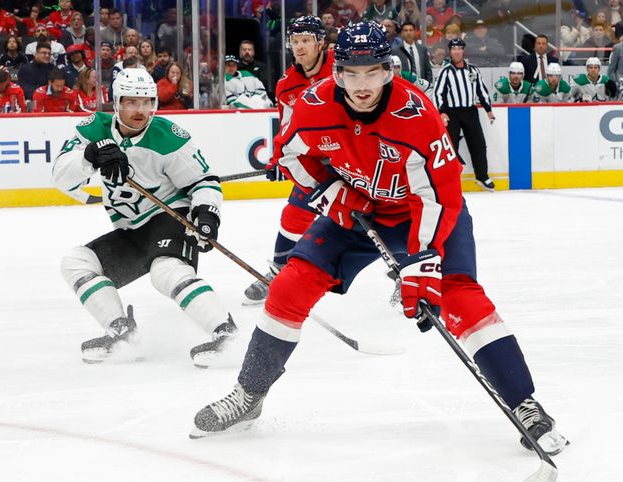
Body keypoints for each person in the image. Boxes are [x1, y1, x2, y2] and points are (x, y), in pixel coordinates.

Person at [191, 22, 569, 459]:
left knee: (461, 298)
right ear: (337, 72)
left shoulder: (417, 114)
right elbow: (290, 153)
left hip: (424, 215)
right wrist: (333, 193)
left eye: (372, 72)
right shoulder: (314, 106)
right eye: (352, 73)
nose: (362, 84)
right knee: (289, 286)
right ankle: (248, 394)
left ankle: (523, 402)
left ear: (389, 70)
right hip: (357, 214)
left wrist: (423, 261)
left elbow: (440, 196)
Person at [52, 68, 238, 366]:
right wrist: (90, 155)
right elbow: (60, 177)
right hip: (131, 230)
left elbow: (204, 182)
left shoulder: (169, 138)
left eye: (146, 102)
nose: (140, 111)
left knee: (165, 271)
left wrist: (207, 215)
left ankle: (224, 333)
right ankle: (123, 332)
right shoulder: (92, 128)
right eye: (131, 102)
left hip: (170, 217)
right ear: (116, 103)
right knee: (76, 262)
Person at [242, 16, 334, 306]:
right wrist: (280, 159)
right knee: (294, 215)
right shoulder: (286, 85)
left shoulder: (344, 69)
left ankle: (406, 274)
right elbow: (287, 130)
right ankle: (277, 274)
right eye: (295, 41)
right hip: (318, 164)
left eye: (306, 40)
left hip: (357, 158)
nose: (299, 47)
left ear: (321, 42)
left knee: (379, 218)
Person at [433, 38, 496, 191]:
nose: (456, 52)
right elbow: (438, 93)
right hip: (452, 113)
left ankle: (482, 176)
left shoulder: (473, 70)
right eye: (454, 49)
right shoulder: (446, 71)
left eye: (459, 49)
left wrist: (488, 110)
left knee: (479, 144)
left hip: (470, 111)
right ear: (450, 51)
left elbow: (482, 90)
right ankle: (450, 180)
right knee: (450, 148)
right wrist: (442, 112)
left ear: (463, 51)